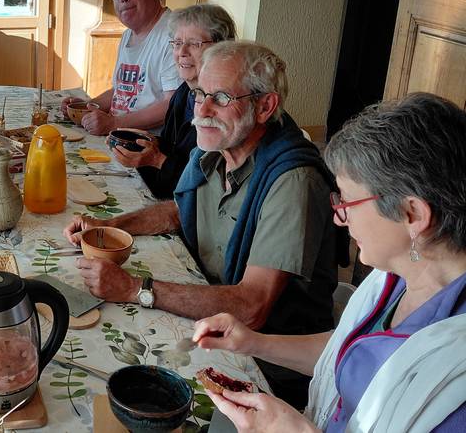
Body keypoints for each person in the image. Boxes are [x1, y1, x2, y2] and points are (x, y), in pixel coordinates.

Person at [65, 41, 342, 407]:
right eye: (199, 93)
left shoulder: (292, 182)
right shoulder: (214, 148)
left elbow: (251, 306)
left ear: (265, 106)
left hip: (266, 368)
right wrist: (106, 227)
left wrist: (136, 288)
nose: (203, 109)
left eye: (222, 98)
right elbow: (180, 211)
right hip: (209, 315)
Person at [193, 93, 466, 432]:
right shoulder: (394, 277)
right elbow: (349, 354)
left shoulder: (457, 381)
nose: (340, 218)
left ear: (413, 214)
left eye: (348, 202)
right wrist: (252, 342)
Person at [112, 4, 236, 198]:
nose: (182, 52)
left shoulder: (225, 106)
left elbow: (206, 187)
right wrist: (148, 143)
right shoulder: (184, 92)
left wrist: (157, 160)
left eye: (194, 43)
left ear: (221, 48)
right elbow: (174, 147)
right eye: (177, 43)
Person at [63, 0, 181, 135]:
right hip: (120, 133)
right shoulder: (128, 35)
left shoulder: (173, 33)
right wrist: (85, 107)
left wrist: (114, 123)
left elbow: (172, 104)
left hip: (148, 143)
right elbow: (120, 91)